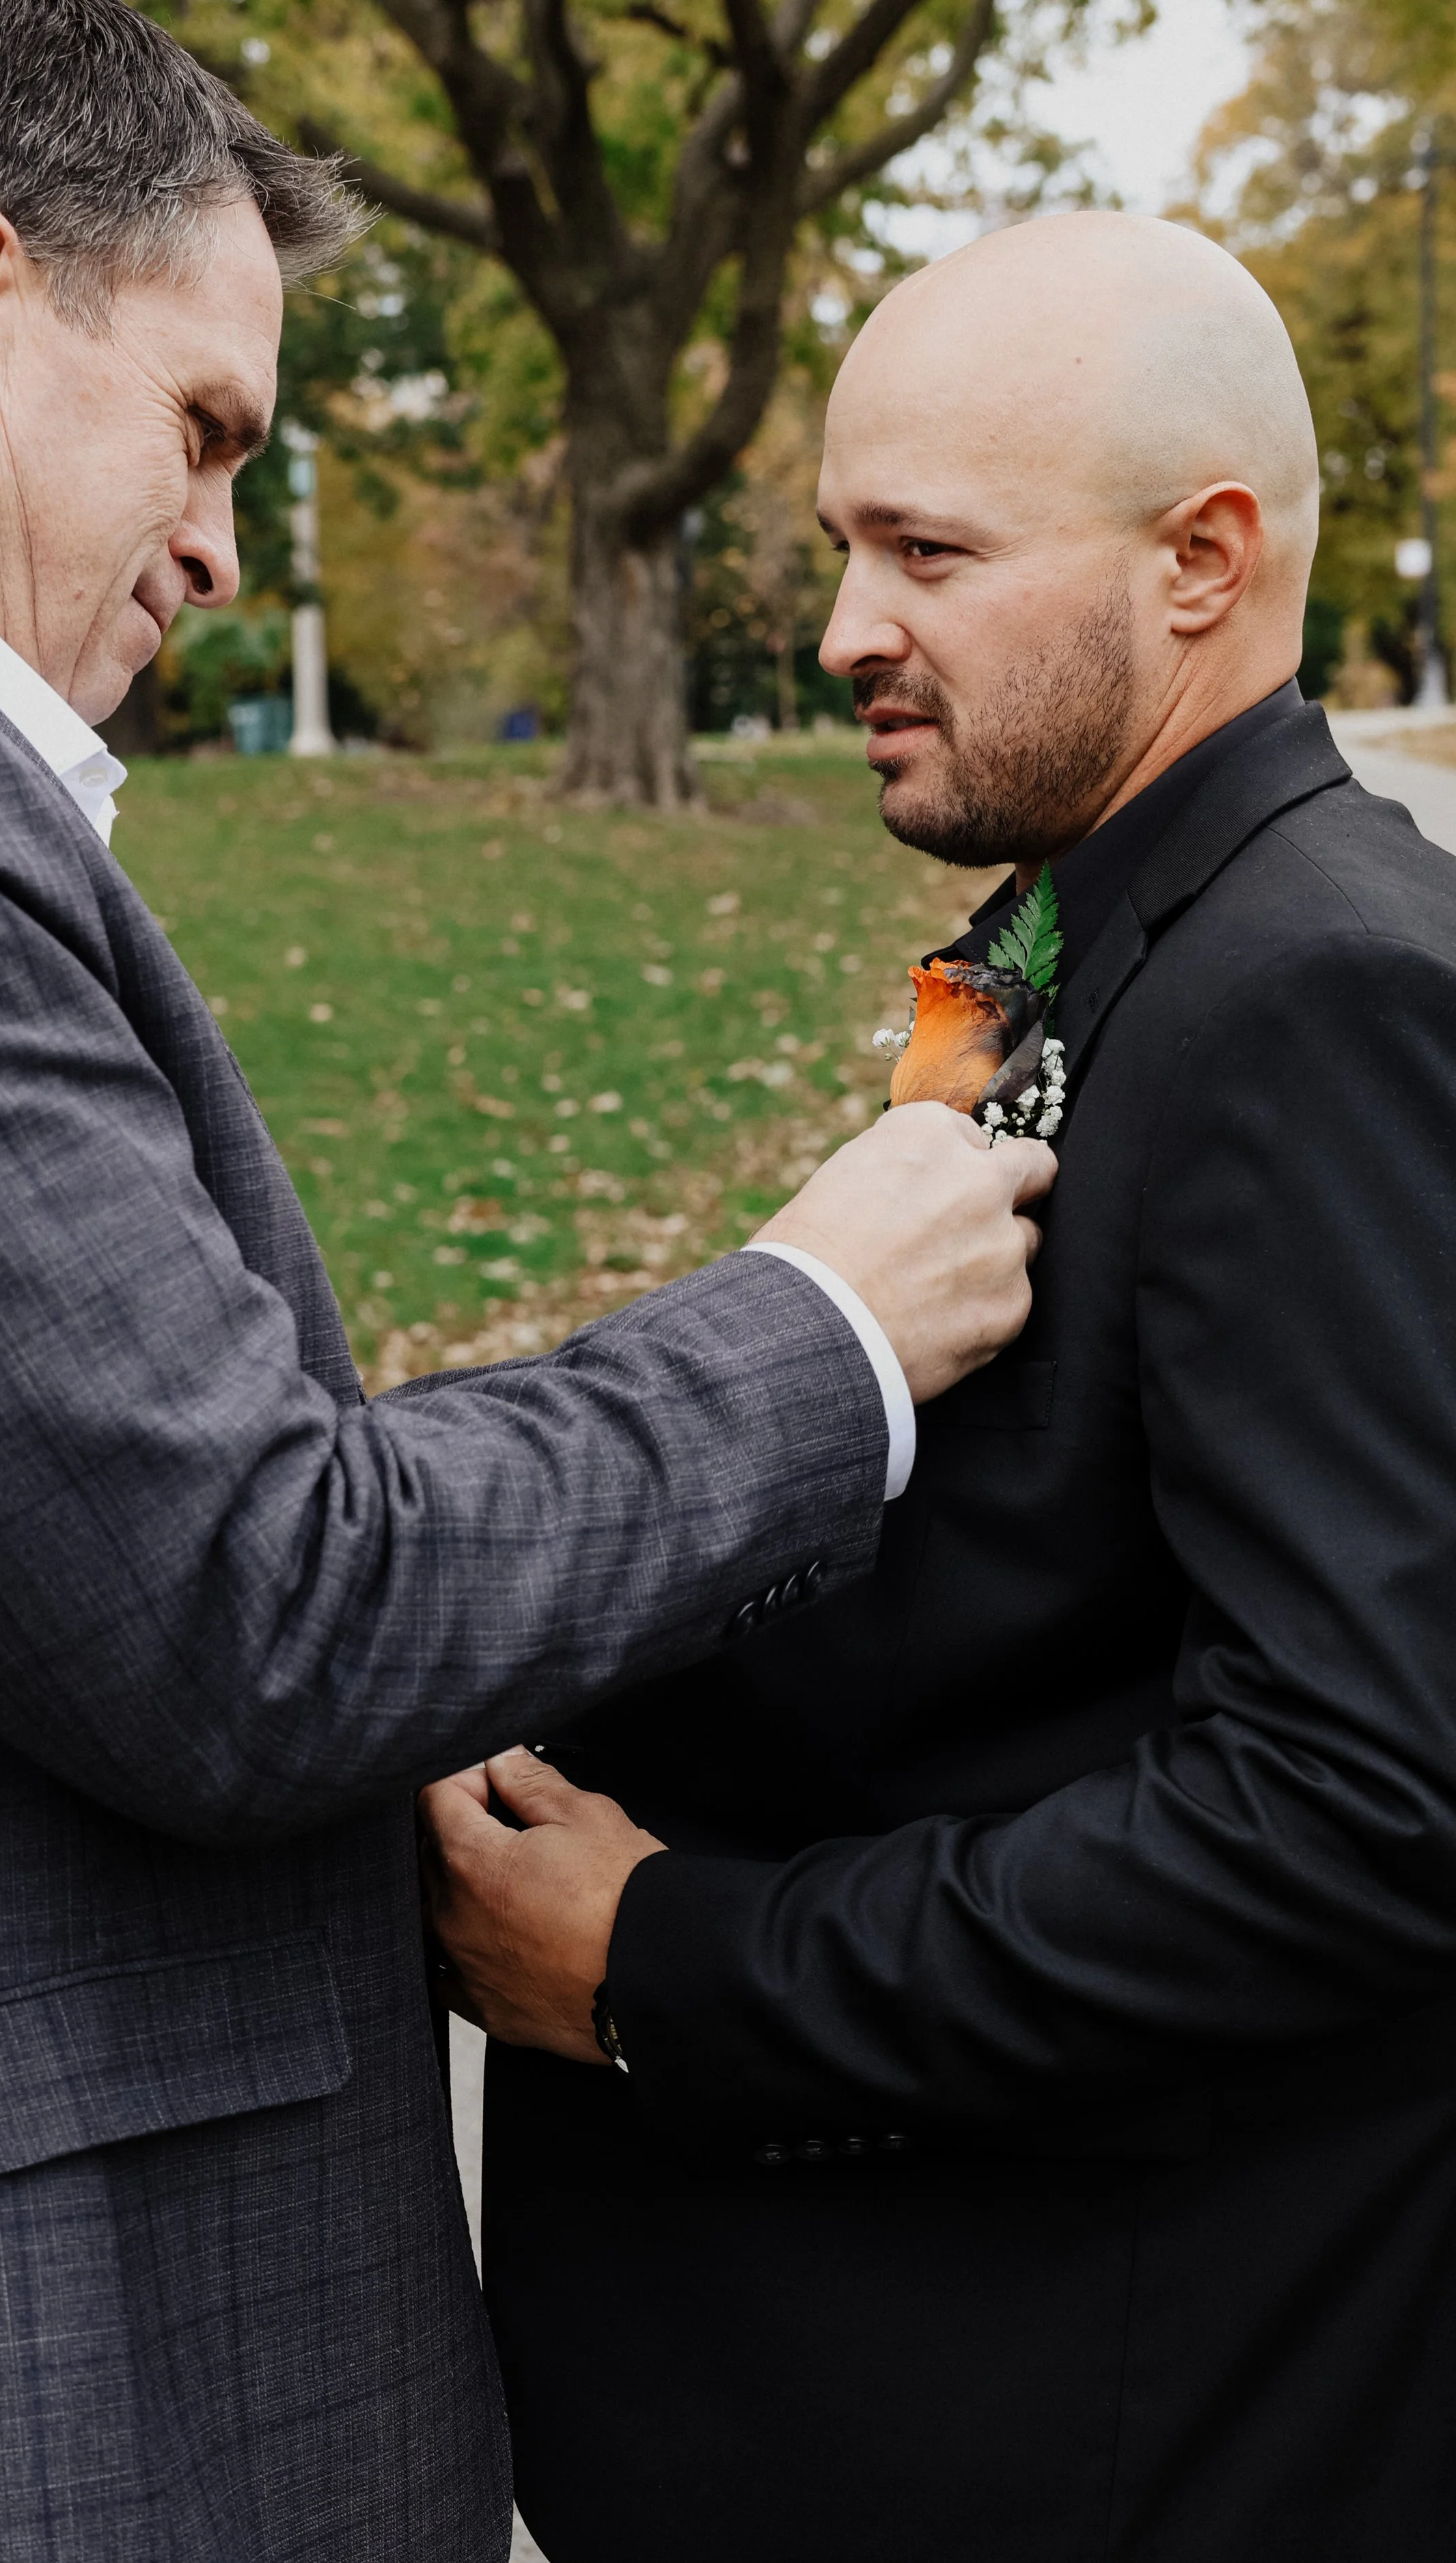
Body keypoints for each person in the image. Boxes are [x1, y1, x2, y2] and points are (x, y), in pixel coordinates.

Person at [0, 5, 1055, 2557]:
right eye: (214, 428)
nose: (231, 545)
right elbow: (245, 1597)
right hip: (17, 2394)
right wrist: (818, 1323)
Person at [424, 211, 1456, 2563]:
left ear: (1199, 562)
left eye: (926, 549)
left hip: (1078, 2432)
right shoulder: (1083, 921)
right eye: (836, 545)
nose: (841, 628)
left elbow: (1361, 1807)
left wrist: (667, 1970)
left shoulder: (1319, 994)